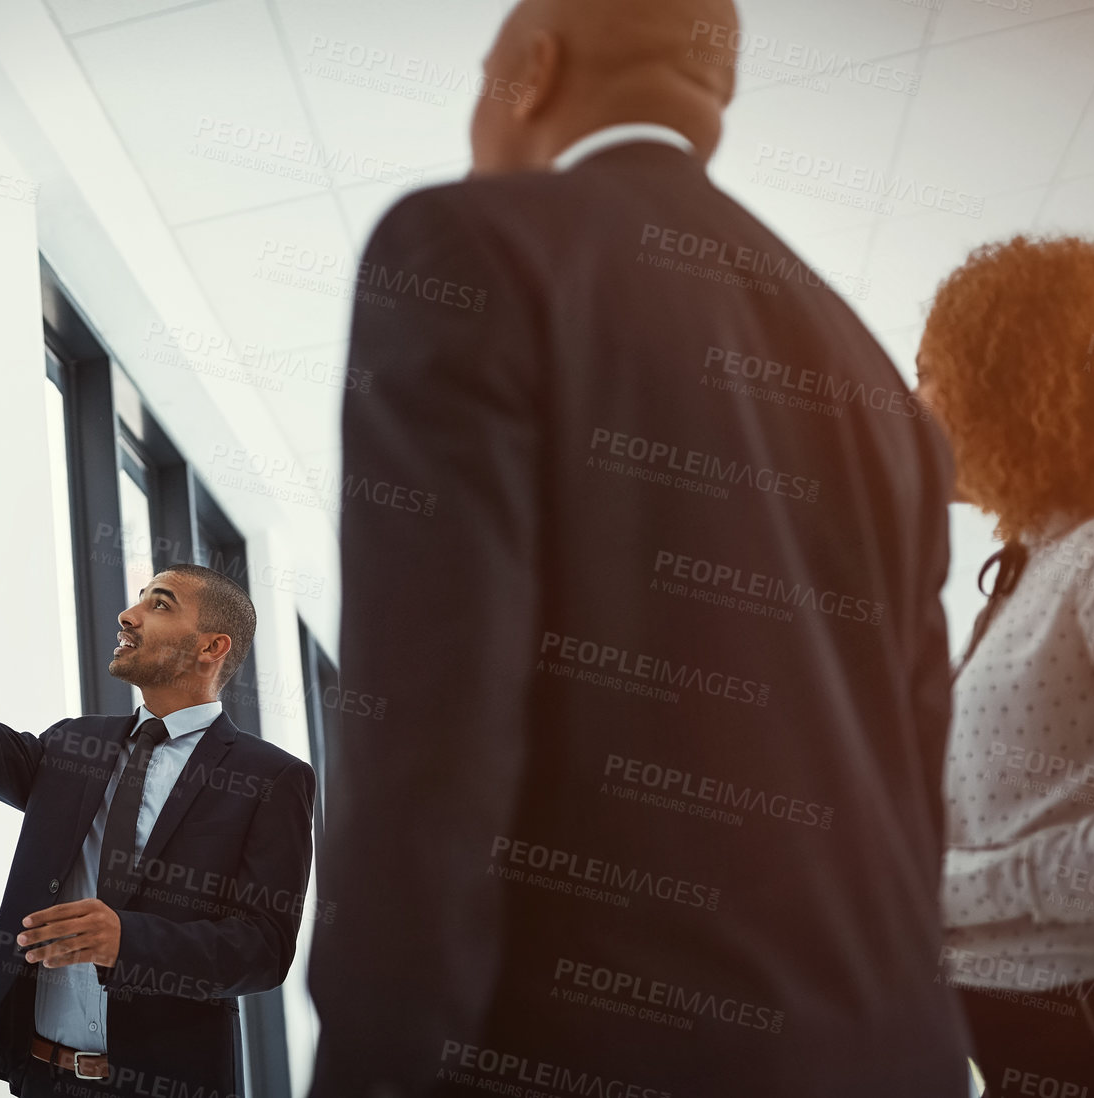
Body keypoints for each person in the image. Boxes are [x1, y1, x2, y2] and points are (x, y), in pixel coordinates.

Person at [307, 0, 973, 1094]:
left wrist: (375, 1068)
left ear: (532, 67)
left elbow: (431, 742)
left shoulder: (465, 250)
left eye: (479, 81)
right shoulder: (876, 386)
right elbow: (913, 795)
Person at [0, 447, 315, 1097]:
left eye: (158, 605)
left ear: (210, 648)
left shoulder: (270, 778)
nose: (128, 615)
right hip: (39, 1076)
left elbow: (261, 951)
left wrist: (126, 940)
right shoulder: (73, 745)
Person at [918, 236, 1094, 1098]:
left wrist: (950, 891)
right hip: (1025, 1009)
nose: (918, 402)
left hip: (1093, 1013)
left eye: (934, 372)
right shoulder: (1043, 551)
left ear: (1013, 380)